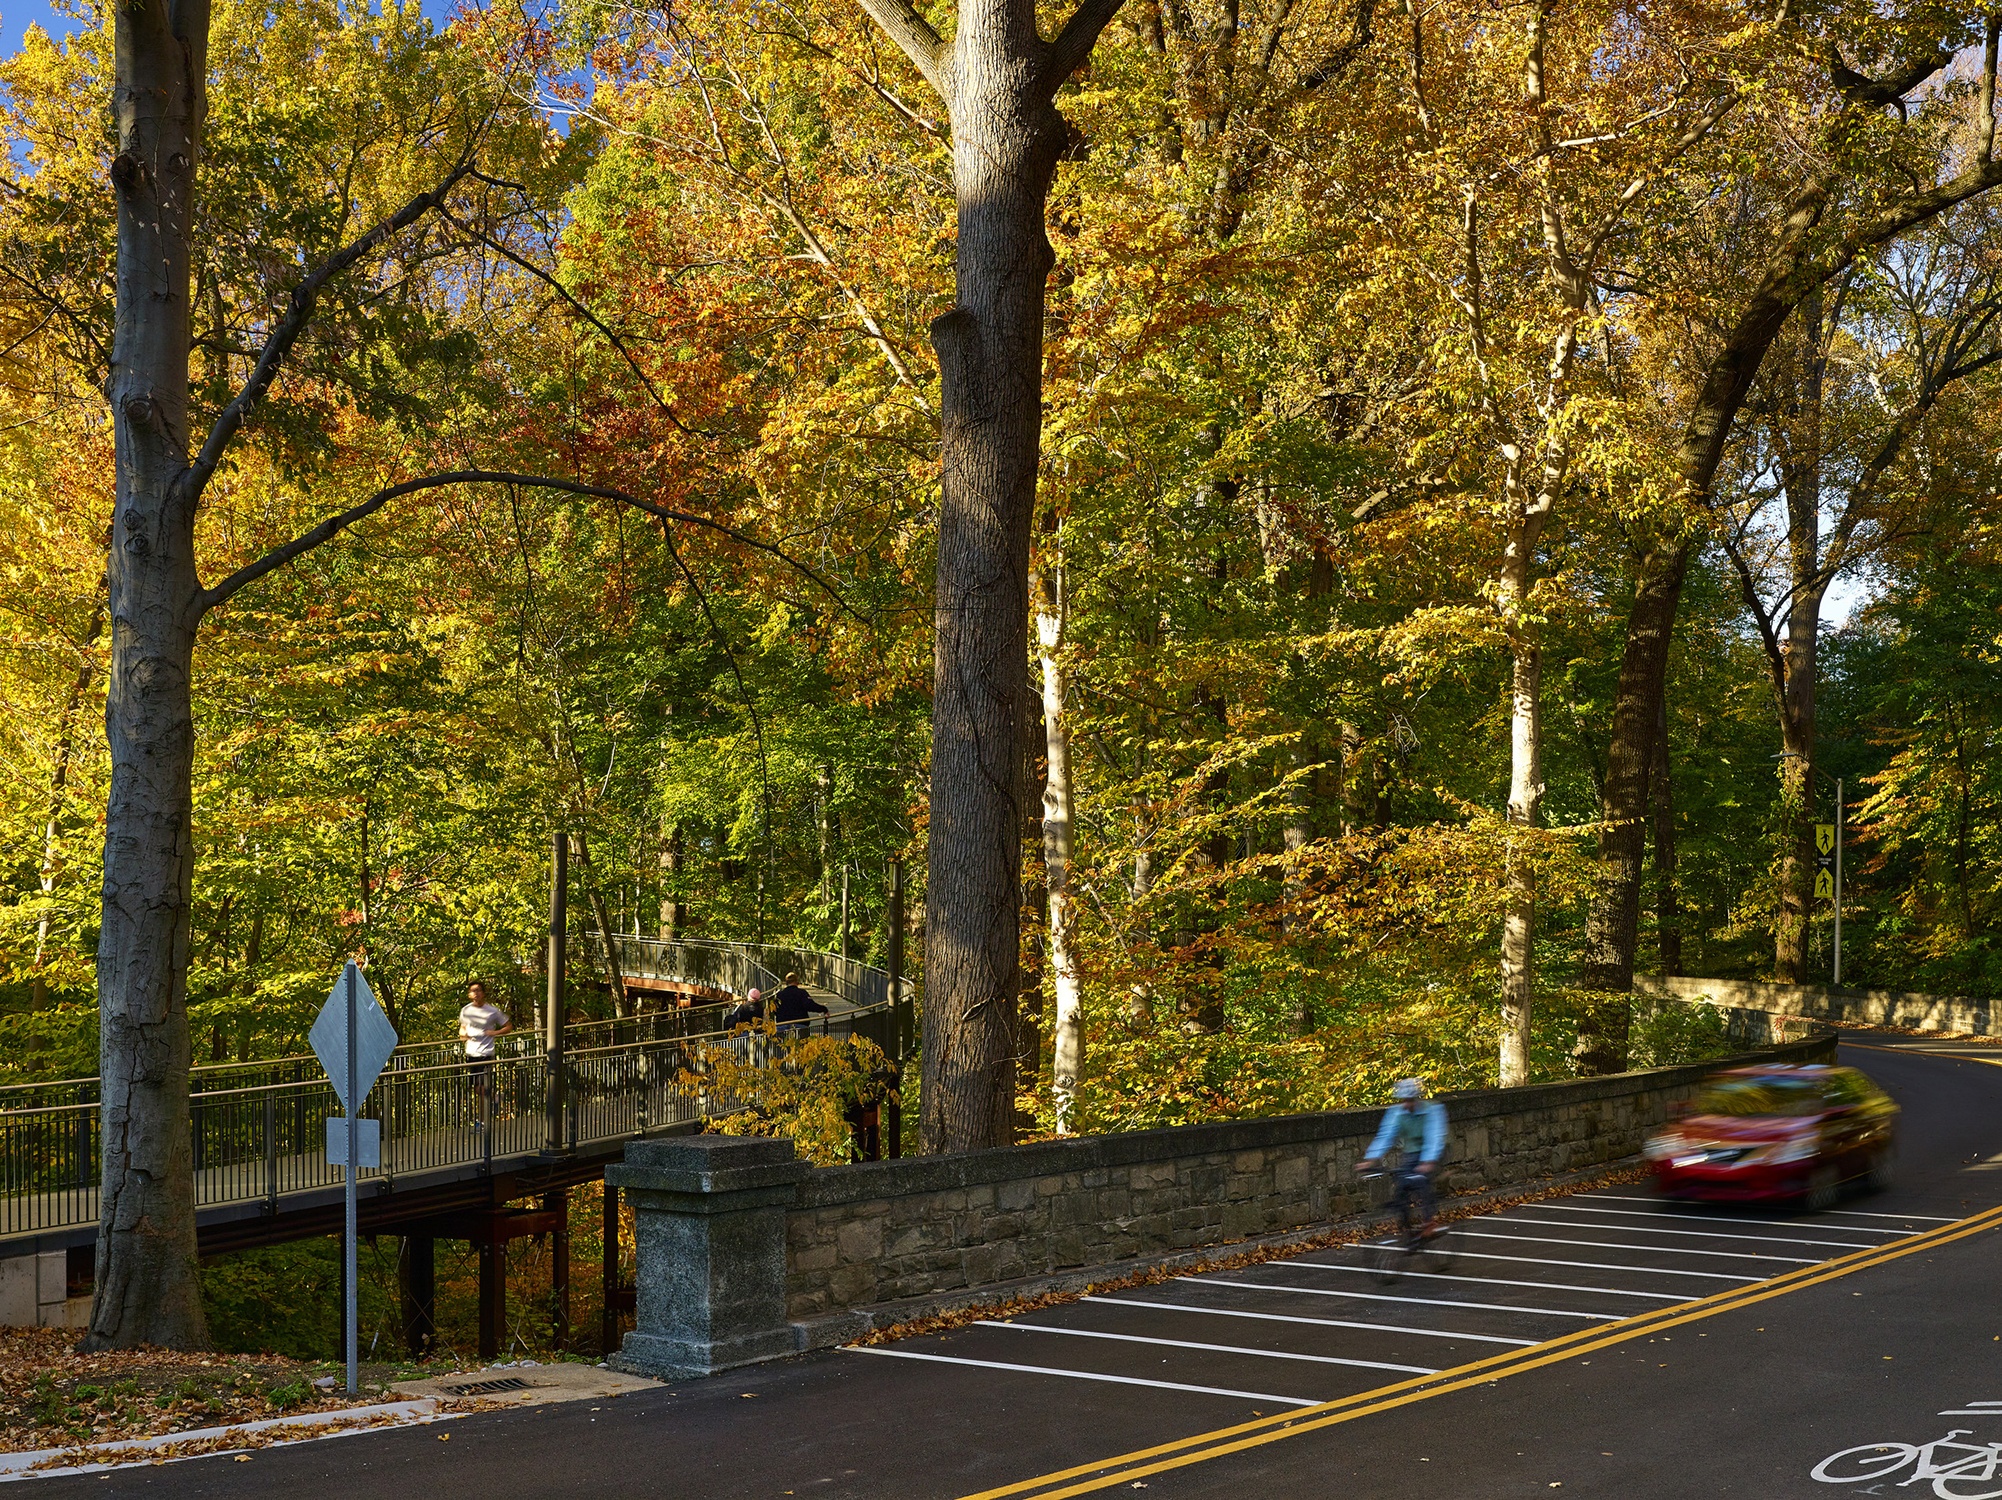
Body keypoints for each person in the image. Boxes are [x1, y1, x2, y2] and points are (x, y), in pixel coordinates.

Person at [1358, 1077, 1447, 1237]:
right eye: (1404, 1100)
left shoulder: (1432, 1111)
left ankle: (1429, 1222)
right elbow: (1385, 1136)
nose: (1407, 1104)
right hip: (1411, 1152)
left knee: (1421, 1180)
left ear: (1417, 1098)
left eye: (1411, 1100)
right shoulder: (1396, 1113)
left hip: (1432, 1152)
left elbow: (1434, 1137)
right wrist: (1370, 1159)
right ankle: (1407, 1230)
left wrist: (1428, 1162)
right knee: (1401, 1187)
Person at [459, 981, 511, 1122]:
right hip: (471, 1053)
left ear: (483, 993)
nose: (476, 993)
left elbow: (508, 1026)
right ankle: (494, 1098)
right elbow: (463, 1028)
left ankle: (482, 1122)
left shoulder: (492, 1011)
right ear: (469, 994)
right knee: (477, 1089)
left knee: (481, 1089)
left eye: (478, 990)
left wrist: (495, 1032)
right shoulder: (466, 1010)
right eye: (473, 991)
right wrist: (463, 1035)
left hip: (486, 1053)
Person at [770, 971, 828, 1038]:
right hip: (800, 1024)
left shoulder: (779, 995)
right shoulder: (801, 993)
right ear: (796, 981)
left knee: (782, 1046)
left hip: (782, 1025)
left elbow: (774, 1010)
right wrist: (824, 1009)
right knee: (801, 1046)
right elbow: (810, 1005)